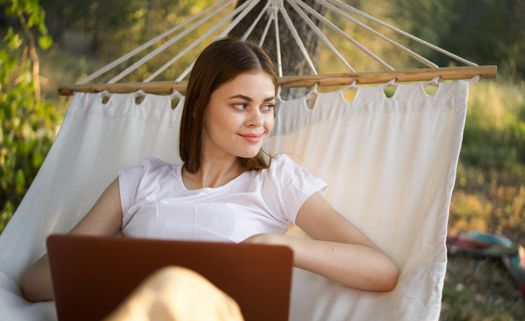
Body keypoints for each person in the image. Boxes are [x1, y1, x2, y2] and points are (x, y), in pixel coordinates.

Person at [20, 38, 399, 303]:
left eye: (267, 106)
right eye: (240, 105)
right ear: (200, 105)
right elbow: (35, 284)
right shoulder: (138, 184)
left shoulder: (276, 181)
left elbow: (381, 270)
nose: (259, 121)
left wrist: (278, 245)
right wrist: (121, 260)